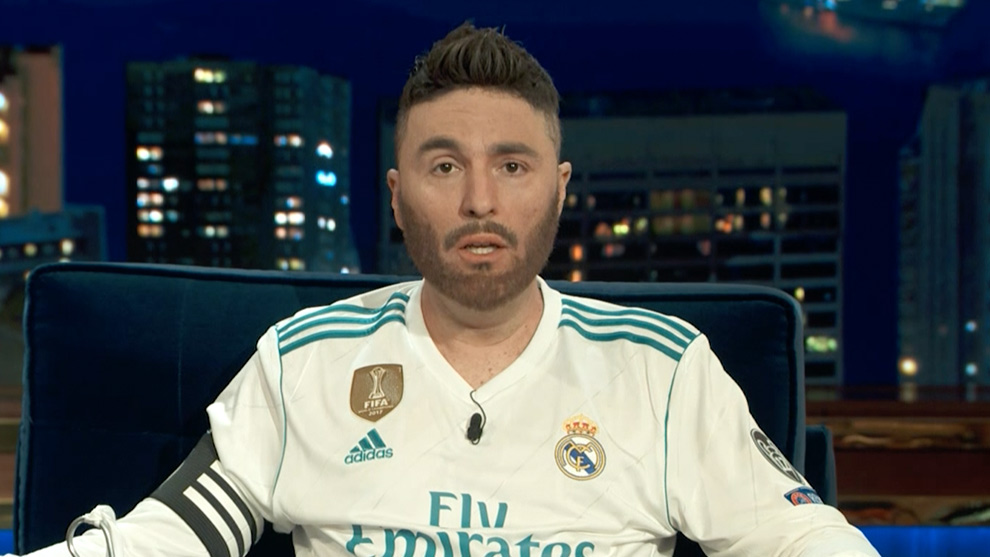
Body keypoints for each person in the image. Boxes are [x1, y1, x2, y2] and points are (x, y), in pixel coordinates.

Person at [16, 22, 880, 557]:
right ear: (397, 196)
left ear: (560, 189)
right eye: (444, 166)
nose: (479, 200)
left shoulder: (662, 370)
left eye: (513, 165)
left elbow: (800, 536)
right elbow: (172, 533)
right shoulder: (303, 359)